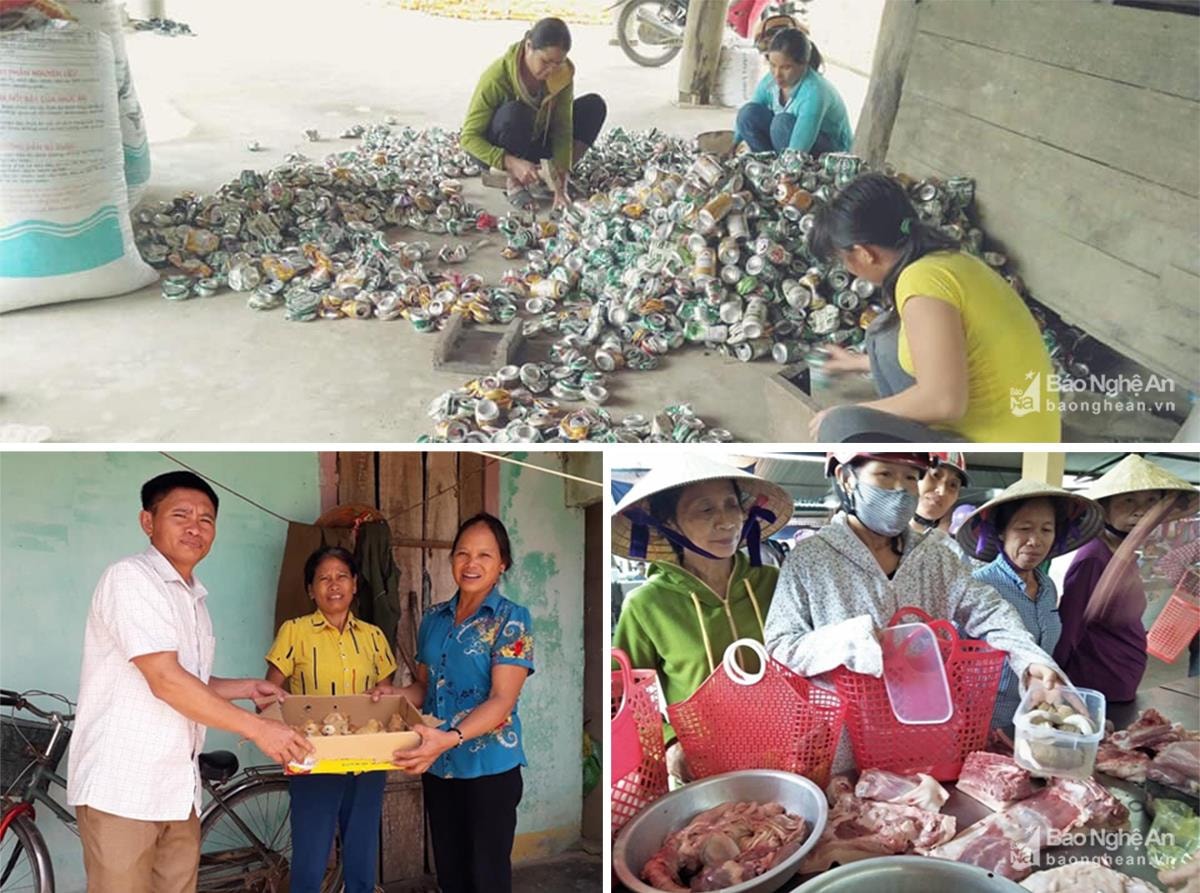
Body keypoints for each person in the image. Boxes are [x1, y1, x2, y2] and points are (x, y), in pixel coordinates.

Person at [67, 471, 311, 893]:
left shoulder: (193, 596)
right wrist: (257, 728)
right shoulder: (131, 579)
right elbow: (166, 680)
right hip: (124, 789)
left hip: (177, 791)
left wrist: (246, 687)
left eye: (207, 519)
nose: (195, 527)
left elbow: (189, 679)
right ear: (148, 521)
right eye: (181, 515)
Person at [764, 451, 1065, 762]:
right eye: (885, 475)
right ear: (845, 477)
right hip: (846, 738)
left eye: (910, 477)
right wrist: (856, 639)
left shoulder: (935, 556)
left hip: (924, 730)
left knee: (924, 806)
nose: (900, 489)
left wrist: (1030, 660)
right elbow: (781, 644)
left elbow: (989, 610)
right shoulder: (812, 559)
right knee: (854, 807)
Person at [807, 173, 1062, 443]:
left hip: (1002, 448)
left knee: (839, 426)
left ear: (863, 253)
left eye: (842, 260)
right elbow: (946, 353)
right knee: (883, 334)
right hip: (1031, 430)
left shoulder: (920, 283)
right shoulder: (949, 259)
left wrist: (848, 412)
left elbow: (944, 402)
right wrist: (856, 363)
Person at [370, 514, 533, 893]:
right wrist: (392, 694)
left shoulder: (511, 620)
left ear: (501, 564)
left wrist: (452, 736)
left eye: (484, 555)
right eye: (462, 553)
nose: (471, 564)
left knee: (486, 878)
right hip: (439, 766)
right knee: (452, 874)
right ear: (452, 560)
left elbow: (502, 700)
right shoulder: (433, 619)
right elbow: (424, 689)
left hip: (488, 768)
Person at [611, 454, 792, 783]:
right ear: (669, 525)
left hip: (783, 753)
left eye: (731, 505)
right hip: (702, 766)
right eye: (705, 510)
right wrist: (669, 743)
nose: (727, 522)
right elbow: (626, 699)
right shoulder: (646, 605)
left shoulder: (772, 582)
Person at [264, 546, 398, 893]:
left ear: (355, 584)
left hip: (367, 760)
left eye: (342, 576)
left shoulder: (373, 637)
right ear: (311, 589)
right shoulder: (294, 632)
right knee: (310, 857)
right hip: (312, 757)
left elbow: (387, 701)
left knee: (362, 852)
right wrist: (273, 723)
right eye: (323, 578)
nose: (333, 585)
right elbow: (269, 691)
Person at [956, 481, 1103, 733]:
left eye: (1047, 529)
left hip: (1034, 719)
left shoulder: (1048, 587)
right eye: (1024, 528)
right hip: (984, 723)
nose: (1035, 540)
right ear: (1001, 532)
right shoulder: (979, 587)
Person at [1054, 454, 1199, 702]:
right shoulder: (1093, 557)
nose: (1142, 511)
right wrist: (1057, 683)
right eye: (1129, 500)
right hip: (1096, 682)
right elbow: (1069, 627)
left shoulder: (1124, 555)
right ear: (1105, 509)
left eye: (1152, 501)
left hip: (1120, 678)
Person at [460, 17, 607, 211]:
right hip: (501, 149)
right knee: (515, 113)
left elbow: (563, 126)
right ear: (529, 46)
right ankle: (513, 181)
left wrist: (560, 174)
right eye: (545, 61)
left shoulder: (560, 75)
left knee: (594, 106)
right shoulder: (496, 77)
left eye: (558, 63)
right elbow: (469, 139)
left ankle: (551, 176)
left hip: (536, 141)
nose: (551, 70)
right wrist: (512, 163)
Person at [734, 28, 852, 156]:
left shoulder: (815, 92)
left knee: (781, 124)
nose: (777, 74)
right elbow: (749, 116)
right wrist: (734, 145)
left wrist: (787, 170)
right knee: (748, 113)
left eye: (786, 67)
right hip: (786, 140)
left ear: (803, 64)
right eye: (772, 65)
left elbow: (799, 148)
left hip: (830, 152)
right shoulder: (770, 81)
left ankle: (784, 170)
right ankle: (766, 163)